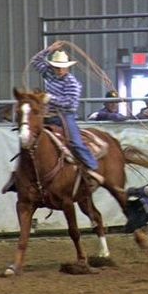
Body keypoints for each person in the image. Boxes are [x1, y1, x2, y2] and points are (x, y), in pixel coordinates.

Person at [31, 40, 104, 185]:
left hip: (65, 116)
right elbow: (35, 61)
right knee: (30, 135)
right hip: (47, 115)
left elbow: (70, 103)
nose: (59, 70)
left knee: (75, 142)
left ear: (67, 68)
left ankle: (92, 168)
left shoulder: (72, 83)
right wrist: (49, 49)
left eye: (61, 67)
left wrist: (50, 98)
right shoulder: (49, 73)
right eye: (57, 67)